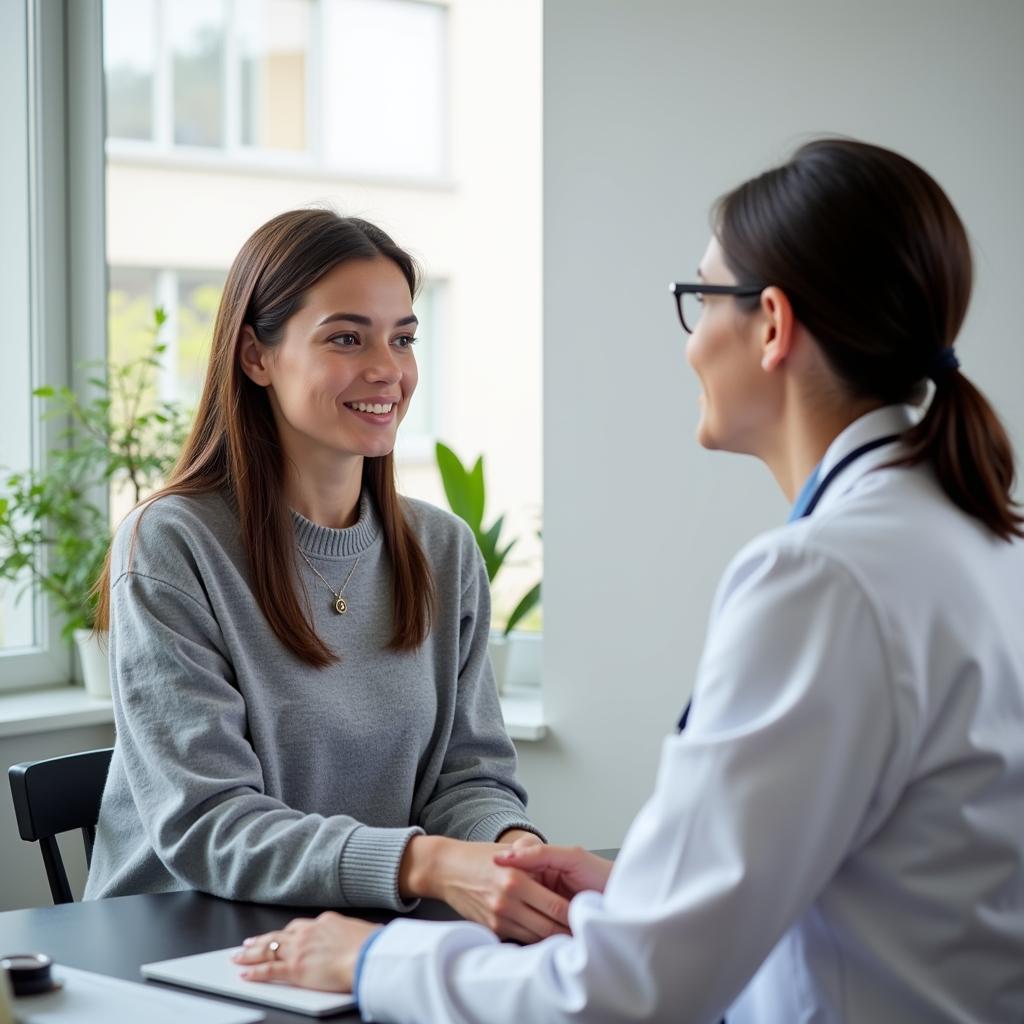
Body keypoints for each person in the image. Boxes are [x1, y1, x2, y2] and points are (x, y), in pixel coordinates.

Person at [234, 139, 1024, 1022]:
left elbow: (631, 992)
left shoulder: (822, 580)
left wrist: (377, 960)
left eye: (700, 299)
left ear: (770, 323)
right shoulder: (974, 538)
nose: (690, 348)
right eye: (347, 337)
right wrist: (638, 891)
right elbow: (869, 869)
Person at [85, 210, 572, 944]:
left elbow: (467, 778)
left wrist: (511, 850)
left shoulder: (442, 548)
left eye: (403, 338)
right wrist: (427, 863)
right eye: (347, 338)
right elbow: (208, 822)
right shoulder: (171, 544)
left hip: (356, 943)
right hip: (182, 948)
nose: (388, 369)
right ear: (256, 355)